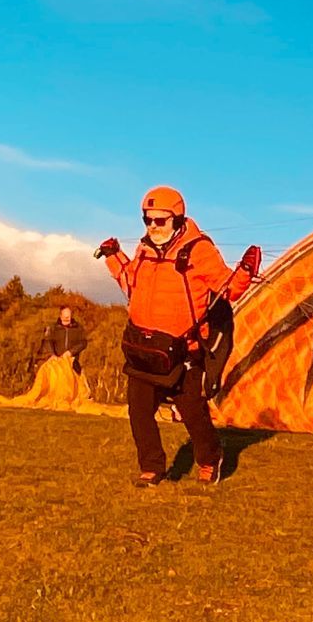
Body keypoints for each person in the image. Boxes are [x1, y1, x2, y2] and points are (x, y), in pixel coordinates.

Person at [98, 187, 258, 486]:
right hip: (144, 347)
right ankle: (152, 468)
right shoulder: (144, 250)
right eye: (147, 220)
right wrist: (113, 256)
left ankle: (210, 458)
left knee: (193, 413)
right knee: (139, 411)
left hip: (184, 352)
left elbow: (229, 289)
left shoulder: (199, 250)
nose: (153, 226)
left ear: (178, 218)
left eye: (160, 220)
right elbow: (130, 282)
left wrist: (246, 270)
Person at [42, 305, 89, 375]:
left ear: (71, 316)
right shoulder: (53, 328)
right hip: (56, 363)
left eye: (68, 317)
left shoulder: (78, 328)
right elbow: (47, 341)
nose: (66, 319)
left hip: (73, 364)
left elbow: (83, 342)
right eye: (64, 317)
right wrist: (52, 354)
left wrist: (71, 352)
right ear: (60, 316)